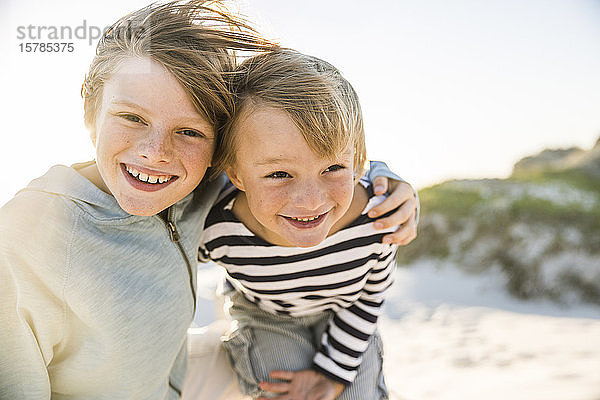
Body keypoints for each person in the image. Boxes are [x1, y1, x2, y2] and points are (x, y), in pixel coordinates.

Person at [0, 2, 417, 399]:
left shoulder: (196, 188)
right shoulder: (24, 240)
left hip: (176, 378)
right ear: (91, 106)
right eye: (131, 117)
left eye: (191, 132)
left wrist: (383, 176)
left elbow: (310, 156)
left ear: (220, 152)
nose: (154, 152)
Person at [198, 49, 412, 400]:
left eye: (333, 169)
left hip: (346, 313)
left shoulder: (376, 219)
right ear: (235, 174)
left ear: (358, 162)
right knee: (285, 391)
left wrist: (334, 372)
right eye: (279, 174)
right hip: (266, 314)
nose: (310, 201)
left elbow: (369, 296)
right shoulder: (219, 228)